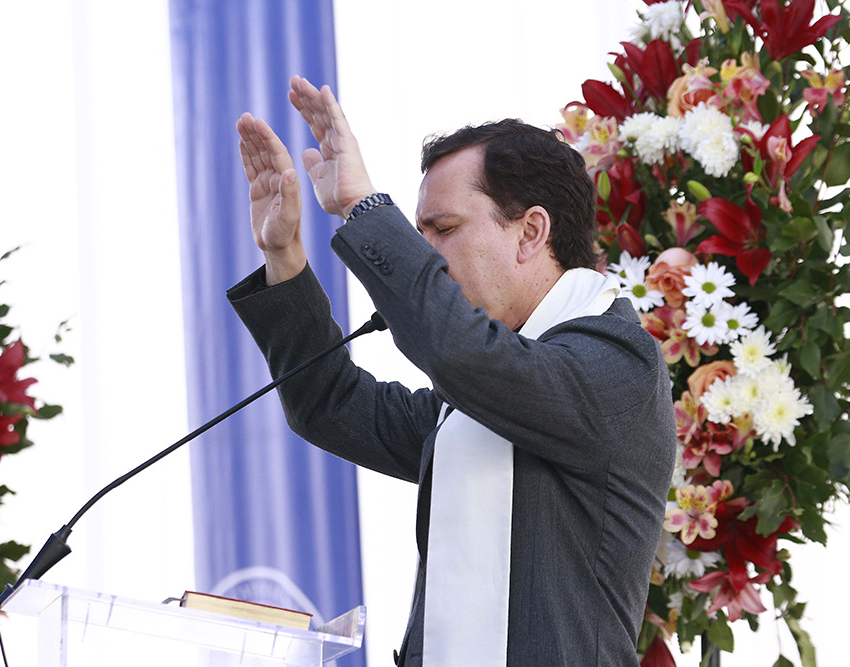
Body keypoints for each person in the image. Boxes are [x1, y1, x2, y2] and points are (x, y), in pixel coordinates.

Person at [228, 75, 677, 667]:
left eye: (443, 230)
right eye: (419, 235)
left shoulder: (616, 365)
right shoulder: (484, 392)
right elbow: (331, 406)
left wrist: (363, 207)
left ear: (531, 232)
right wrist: (283, 255)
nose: (426, 254)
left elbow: (461, 353)